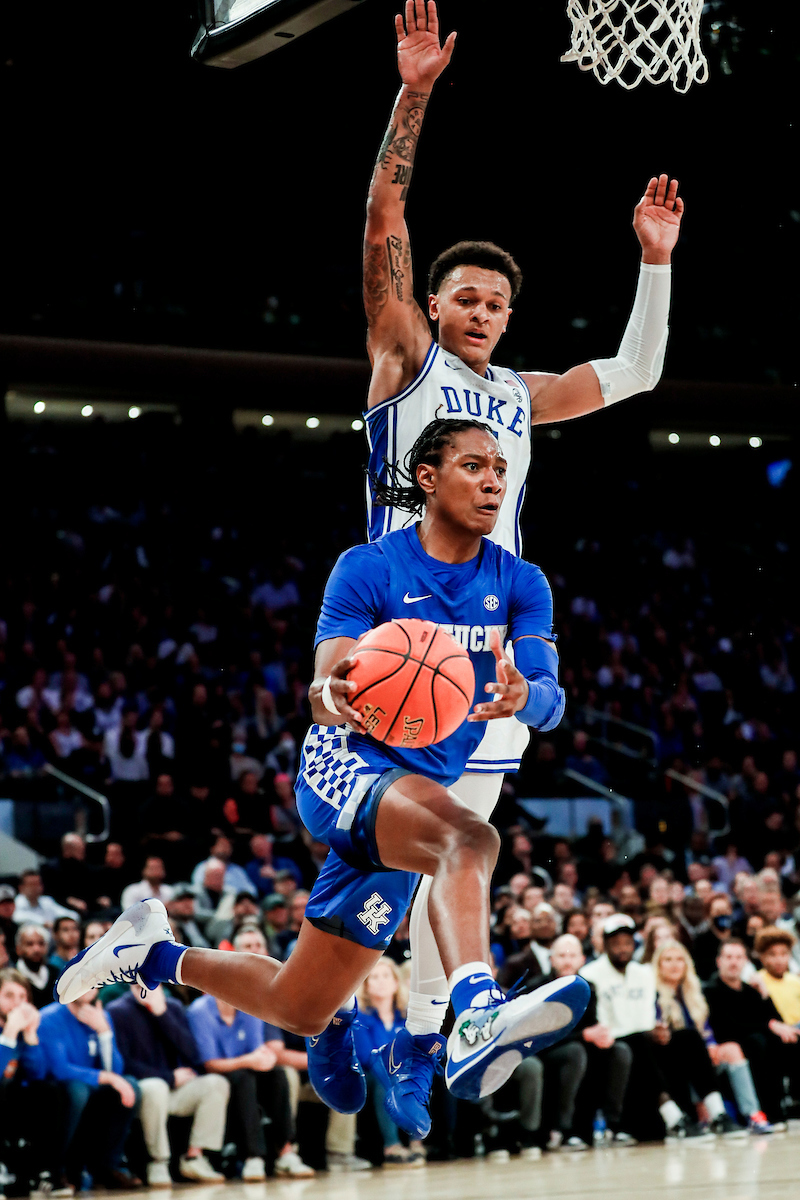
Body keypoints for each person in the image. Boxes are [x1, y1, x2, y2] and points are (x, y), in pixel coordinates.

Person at [55, 419, 588, 1136]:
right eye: (473, 465)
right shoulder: (368, 567)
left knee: (298, 1004)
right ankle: (477, 1016)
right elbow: (325, 680)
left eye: (500, 467)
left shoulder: (521, 583)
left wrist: (529, 698)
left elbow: (550, 699)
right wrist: (328, 691)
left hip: (417, 791)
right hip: (348, 766)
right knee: (470, 840)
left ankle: (152, 951)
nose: (494, 478)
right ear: (427, 478)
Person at [360, 0, 684, 1131]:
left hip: (488, 639)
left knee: (459, 852)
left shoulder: (517, 398)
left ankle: (422, 1032)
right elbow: (386, 213)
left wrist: (653, 263)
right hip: (397, 625)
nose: (483, 312)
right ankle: (411, 1022)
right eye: (466, 298)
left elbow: (637, 372)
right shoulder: (404, 359)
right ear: (432, 307)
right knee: (417, 853)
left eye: (497, 303)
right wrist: (415, 92)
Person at [580, 915, 711, 1142]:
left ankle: (716, 1112)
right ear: (605, 944)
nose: (622, 948)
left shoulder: (644, 973)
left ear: (634, 944)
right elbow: (600, 1023)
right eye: (616, 943)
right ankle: (673, 1118)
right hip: (612, 1045)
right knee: (638, 1043)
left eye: (627, 943)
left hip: (644, 1039)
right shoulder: (589, 974)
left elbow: (648, 1018)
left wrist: (659, 1031)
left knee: (688, 1037)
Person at [106, 984, 230, 1186]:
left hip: (175, 1090)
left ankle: (194, 1157)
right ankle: (158, 1162)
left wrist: (162, 1014)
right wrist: (169, 1077)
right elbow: (124, 1064)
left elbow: (193, 1054)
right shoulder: (117, 1010)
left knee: (216, 1083)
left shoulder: (172, 1006)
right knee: (156, 1087)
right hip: (144, 1091)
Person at [186, 988, 313, 1180]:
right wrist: (249, 1061)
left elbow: (257, 1050)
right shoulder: (200, 1011)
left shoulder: (250, 1006)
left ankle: (286, 1152)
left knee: (278, 1074)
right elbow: (210, 1064)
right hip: (213, 1073)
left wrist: (266, 1059)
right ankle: (253, 1157)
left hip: (245, 1068)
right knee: (244, 1080)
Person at [38, 994, 142, 1190]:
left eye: (93, 981)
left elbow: (115, 1071)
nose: (88, 986)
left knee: (130, 1086)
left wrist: (104, 1032)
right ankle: (57, 1170)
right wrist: (107, 1077)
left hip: (91, 1090)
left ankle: (107, 1168)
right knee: (78, 1090)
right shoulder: (49, 1017)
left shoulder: (102, 1016)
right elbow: (59, 1069)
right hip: (58, 1091)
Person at [651, 940, 746, 1136]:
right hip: (666, 1057)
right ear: (658, 966)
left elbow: (706, 1029)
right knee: (689, 1037)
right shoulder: (653, 994)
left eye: (679, 959)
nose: (674, 964)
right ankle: (716, 1113)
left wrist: (711, 1045)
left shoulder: (693, 993)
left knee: (718, 1046)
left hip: (696, 1057)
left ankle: (733, 1115)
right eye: (668, 960)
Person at [703, 939, 794, 1129]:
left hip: (757, 1042)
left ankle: (786, 1106)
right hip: (730, 1047)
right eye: (728, 957)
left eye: (739, 957)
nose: (734, 962)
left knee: (787, 1040)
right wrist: (768, 1025)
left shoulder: (750, 990)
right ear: (719, 961)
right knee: (757, 1041)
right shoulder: (711, 990)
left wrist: (765, 994)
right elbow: (727, 1027)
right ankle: (767, 1112)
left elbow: (776, 1020)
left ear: (745, 962)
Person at [353, 957, 427, 1167]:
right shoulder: (360, 1018)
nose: (381, 981)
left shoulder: (406, 1018)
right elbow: (369, 1056)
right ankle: (391, 1146)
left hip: (400, 1073)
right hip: (369, 1077)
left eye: (386, 976)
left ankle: (416, 1142)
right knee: (386, 1078)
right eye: (374, 977)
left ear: (396, 983)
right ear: (366, 985)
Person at [15, 924, 61, 1009]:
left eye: (41, 944)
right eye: (29, 944)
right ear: (18, 949)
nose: (36, 949)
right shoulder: (13, 977)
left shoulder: (56, 973)